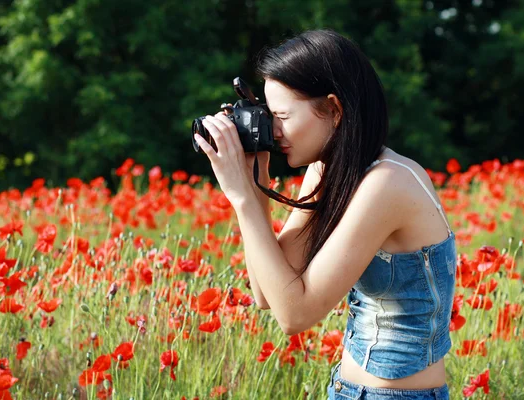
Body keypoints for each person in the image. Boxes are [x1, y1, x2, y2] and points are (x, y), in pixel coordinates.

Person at [194, 29, 455, 400]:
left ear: (333, 109)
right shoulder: (329, 171)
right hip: (346, 389)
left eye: (282, 115)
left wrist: (244, 199)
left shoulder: (387, 183)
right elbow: (267, 293)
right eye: (269, 115)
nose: (274, 130)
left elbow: (294, 315)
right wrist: (255, 187)